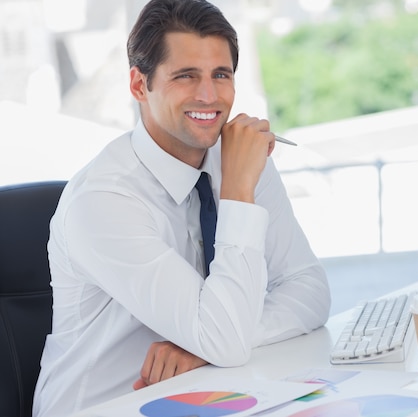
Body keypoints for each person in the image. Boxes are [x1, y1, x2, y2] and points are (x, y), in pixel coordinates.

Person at [32, 0, 331, 416]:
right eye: (186, 76)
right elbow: (224, 338)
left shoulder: (240, 159)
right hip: (108, 406)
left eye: (220, 75)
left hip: (208, 394)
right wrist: (239, 191)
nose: (209, 95)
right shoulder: (103, 199)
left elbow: (310, 291)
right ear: (139, 85)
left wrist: (207, 346)